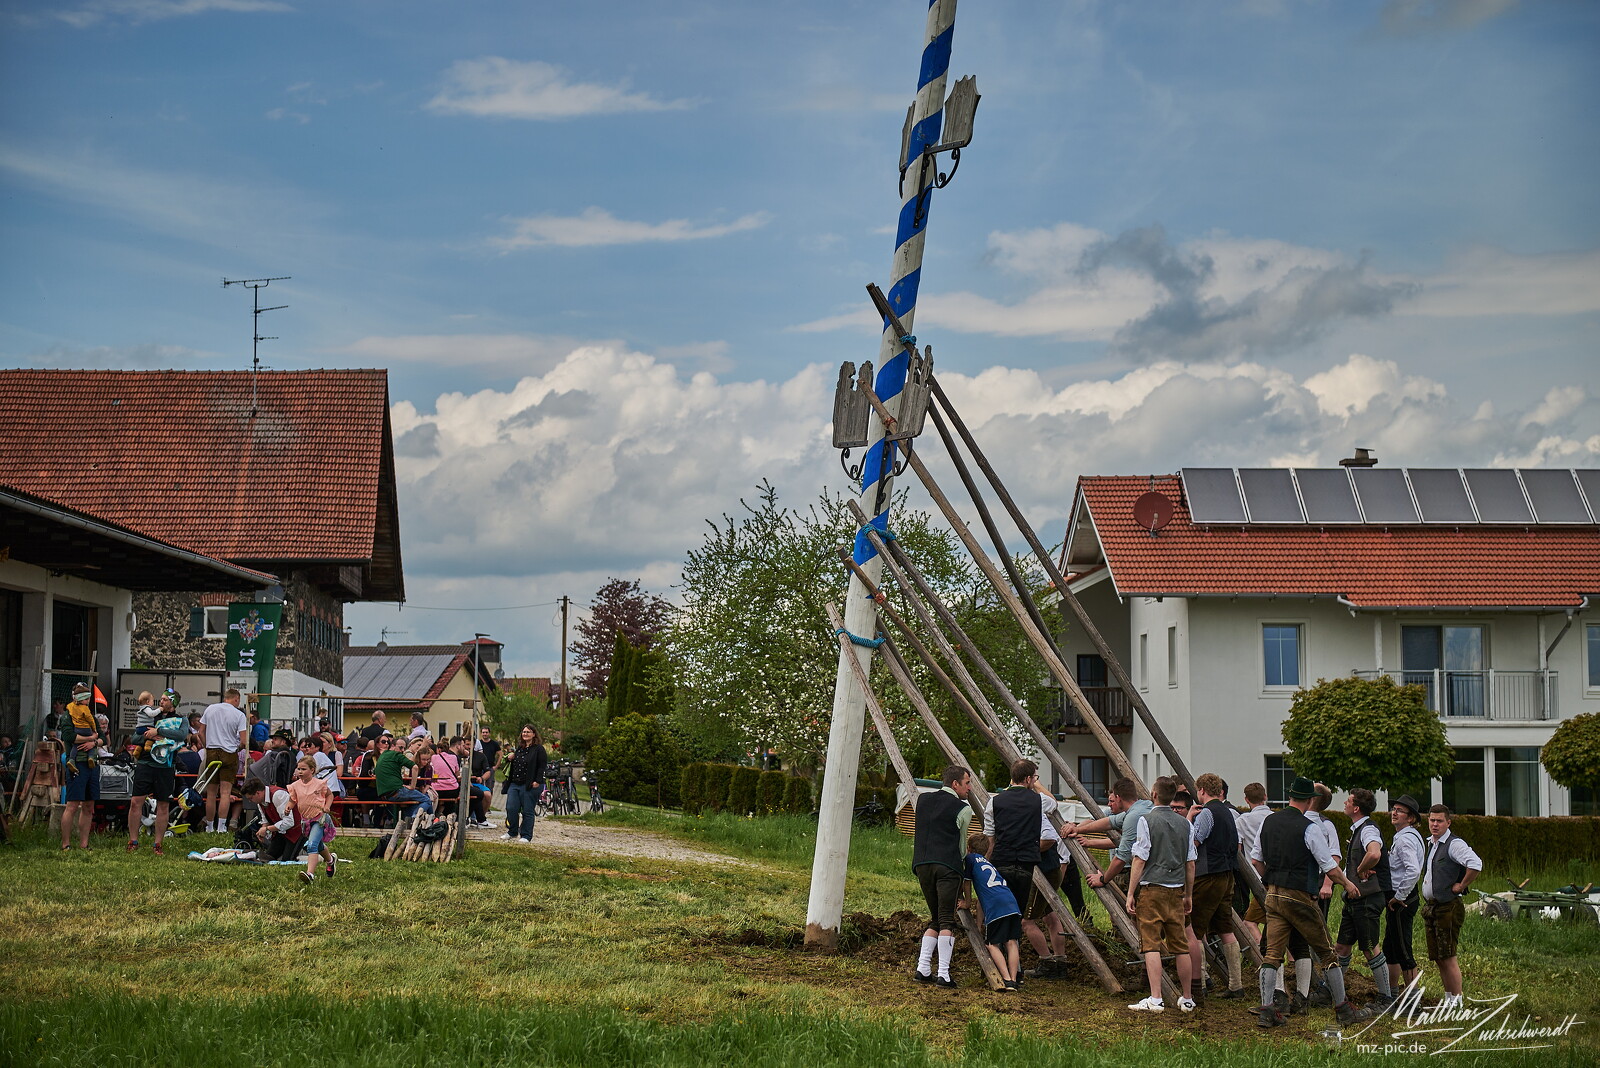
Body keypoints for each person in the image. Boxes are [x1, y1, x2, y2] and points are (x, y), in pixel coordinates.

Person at [1249, 776, 1371, 1029]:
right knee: (1328, 952)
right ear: (1310, 800)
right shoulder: (1310, 827)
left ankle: (1267, 1010)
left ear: (1290, 795)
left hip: (1273, 894)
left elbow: (1256, 860)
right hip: (1299, 896)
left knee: (1272, 954)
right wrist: (1348, 884)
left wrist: (1268, 881)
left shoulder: (1268, 822)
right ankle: (1343, 1009)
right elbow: (1329, 866)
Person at [1124, 776, 1197, 1013]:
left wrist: (1131, 892)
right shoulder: (1186, 824)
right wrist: (1188, 894)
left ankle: (1156, 998)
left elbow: (1139, 858)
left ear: (1154, 794)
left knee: (1151, 944)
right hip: (1176, 890)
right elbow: (1190, 863)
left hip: (1151, 888)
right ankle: (1187, 998)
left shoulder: (1146, 820)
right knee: (1180, 945)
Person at [911, 765, 973, 989]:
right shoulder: (963, 809)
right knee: (947, 919)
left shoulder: (923, 800)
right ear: (955, 784)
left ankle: (923, 968)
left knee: (935, 917)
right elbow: (962, 846)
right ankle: (944, 974)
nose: (970, 788)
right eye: (967, 783)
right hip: (947, 866)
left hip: (921, 864)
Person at [1335, 787, 1395, 1009]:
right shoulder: (1360, 828)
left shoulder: (1368, 830)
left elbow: (1375, 853)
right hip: (1355, 899)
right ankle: (1335, 991)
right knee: (1342, 946)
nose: (1345, 804)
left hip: (1368, 898)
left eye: (1348, 801)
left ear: (1356, 807)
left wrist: (1361, 869)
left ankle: (1386, 997)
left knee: (1370, 947)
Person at [1188, 773, 1246, 999]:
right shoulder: (1229, 813)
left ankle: (1199, 982)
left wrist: (1190, 821)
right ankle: (1236, 984)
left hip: (1208, 874)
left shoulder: (1207, 813)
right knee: (1225, 929)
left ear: (1202, 790)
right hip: (1227, 875)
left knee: (1194, 928)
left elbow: (1194, 844)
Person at [1421, 804, 1482, 1009]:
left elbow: (1475, 864)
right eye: (1432, 820)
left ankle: (1456, 1003)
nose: (1435, 824)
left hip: (1448, 906)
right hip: (1433, 906)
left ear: (1448, 822)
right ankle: (1449, 1000)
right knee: (1439, 956)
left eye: (1439, 821)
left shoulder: (1454, 844)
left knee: (1448, 955)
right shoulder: (1431, 843)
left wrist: (1462, 885)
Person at [125, 689, 187, 855]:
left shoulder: (181, 719)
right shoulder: (151, 716)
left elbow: (181, 735)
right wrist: (149, 736)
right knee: (135, 802)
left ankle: (158, 844)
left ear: (173, 703)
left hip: (165, 767)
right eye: (161, 699)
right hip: (145, 763)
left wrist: (159, 731)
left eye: (166, 700)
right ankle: (133, 840)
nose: (161, 702)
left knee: (163, 805)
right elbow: (135, 737)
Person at [1065, 777, 1152, 894]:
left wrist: (1103, 879)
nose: (1109, 804)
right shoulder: (1144, 806)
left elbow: (1122, 857)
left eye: (1112, 800)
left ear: (1118, 798)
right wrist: (1078, 829)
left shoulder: (1133, 817)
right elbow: (1109, 822)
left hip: (1147, 876)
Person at [963, 832, 1022, 991]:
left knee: (991, 944)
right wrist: (979, 921)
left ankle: (1006, 979)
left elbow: (966, 882)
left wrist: (967, 902)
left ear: (968, 848)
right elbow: (982, 900)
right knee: (1011, 941)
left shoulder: (970, 859)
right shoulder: (989, 864)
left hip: (997, 907)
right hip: (1012, 903)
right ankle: (1015, 979)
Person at [1384, 794, 1426, 995]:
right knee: (1391, 948)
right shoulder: (1404, 836)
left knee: (1402, 949)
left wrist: (1399, 895)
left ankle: (1412, 999)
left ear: (1411, 818)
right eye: (1394, 809)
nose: (1394, 812)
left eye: (1400, 811)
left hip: (1402, 900)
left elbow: (1413, 871)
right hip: (1400, 897)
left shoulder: (1405, 840)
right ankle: (1391, 993)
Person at [198, 689, 248, 833]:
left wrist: (208, 746)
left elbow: (201, 732)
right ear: (236, 699)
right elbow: (244, 741)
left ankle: (209, 826)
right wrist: (237, 748)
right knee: (225, 793)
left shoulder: (210, 709)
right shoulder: (239, 715)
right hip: (230, 752)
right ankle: (221, 827)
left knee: (211, 793)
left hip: (212, 751)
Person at [60, 682, 102, 851]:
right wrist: (89, 740)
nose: (87, 700)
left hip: (92, 765)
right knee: (72, 805)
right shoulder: (67, 715)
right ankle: (65, 844)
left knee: (89, 805)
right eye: (84, 697)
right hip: (76, 764)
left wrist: (94, 743)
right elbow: (69, 736)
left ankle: (84, 844)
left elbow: (103, 738)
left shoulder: (90, 714)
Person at [287, 755, 337, 884]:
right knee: (318, 845)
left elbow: (329, 795)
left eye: (303, 769)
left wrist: (327, 806)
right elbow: (293, 799)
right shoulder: (295, 786)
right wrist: (288, 807)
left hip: (319, 818)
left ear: (312, 770)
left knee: (312, 845)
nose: (300, 772)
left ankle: (310, 874)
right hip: (306, 820)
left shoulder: (319, 784)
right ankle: (330, 860)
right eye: (298, 769)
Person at [500, 725, 547, 843]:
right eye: (524, 732)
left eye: (528, 732)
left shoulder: (538, 749)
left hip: (530, 784)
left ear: (534, 734)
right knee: (511, 807)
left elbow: (542, 766)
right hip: (515, 783)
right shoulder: (519, 748)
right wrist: (510, 757)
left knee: (527, 810)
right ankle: (512, 831)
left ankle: (526, 835)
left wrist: (537, 780)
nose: (525, 734)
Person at [238, 778, 303, 861]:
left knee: (287, 860)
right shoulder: (260, 802)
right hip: (281, 833)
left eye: (251, 798)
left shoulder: (278, 795)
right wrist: (263, 830)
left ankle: (311, 856)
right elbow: (265, 820)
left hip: (297, 831)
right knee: (267, 857)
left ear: (258, 793)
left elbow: (289, 822)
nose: (250, 801)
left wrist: (267, 829)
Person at [374, 734, 432, 819]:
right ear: (393, 746)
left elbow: (410, 762)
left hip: (385, 795)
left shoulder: (381, 757)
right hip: (397, 791)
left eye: (404, 748)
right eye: (400, 748)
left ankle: (408, 817)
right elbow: (414, 767)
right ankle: (417, 817)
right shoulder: (395, 755)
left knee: (417, 801)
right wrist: (412, 786)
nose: (403, 750)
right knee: (427, 800)